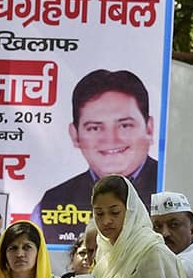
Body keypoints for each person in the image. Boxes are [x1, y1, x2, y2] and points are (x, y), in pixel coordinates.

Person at [33, 69, 158, 242]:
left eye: (125, 126)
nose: (111, 139)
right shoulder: (50, 204)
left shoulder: (169, 189)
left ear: (149, 128)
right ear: (75, 135)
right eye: (94, 128)